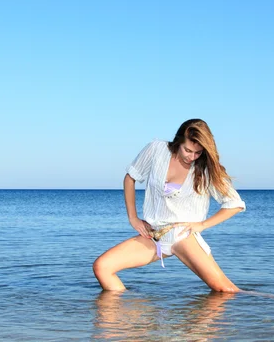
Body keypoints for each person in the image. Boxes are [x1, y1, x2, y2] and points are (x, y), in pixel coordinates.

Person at [93, 119, 246, 292]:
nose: (191, 156)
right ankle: (128, 315)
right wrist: (133, 218)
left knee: (225, 290)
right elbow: (130, 178)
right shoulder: (156, 150)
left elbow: (235, 204)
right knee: (102, 267)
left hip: (183, 236)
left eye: (198, 152)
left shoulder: (205, 170)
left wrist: (202, 225)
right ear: (178, 141)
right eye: (187, 150)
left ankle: (267, 307)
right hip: (155, 235)